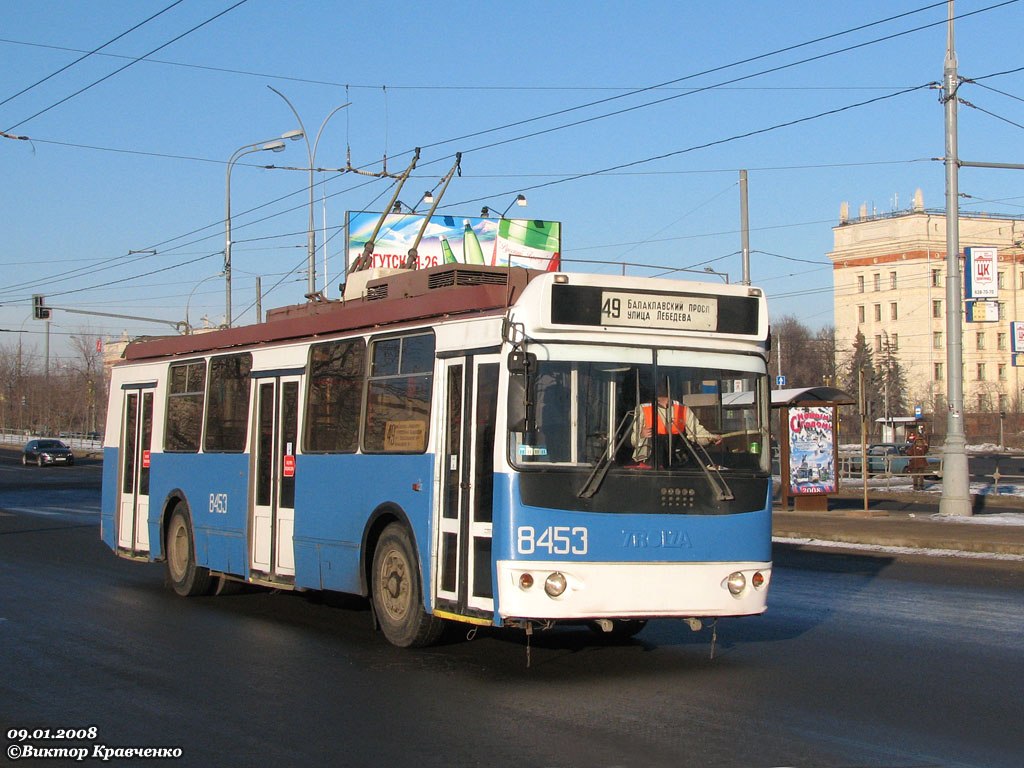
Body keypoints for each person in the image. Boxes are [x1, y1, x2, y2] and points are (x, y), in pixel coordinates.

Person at [631, 382, 719, 465]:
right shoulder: (642, 409)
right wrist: (641, 435)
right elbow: (634, 440)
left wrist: (711, 438)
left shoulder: (682, 409)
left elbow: (697, 433)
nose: (656, 387)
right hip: (650, 464)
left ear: (668, 388)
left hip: (677, 462)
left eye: (660, 384)